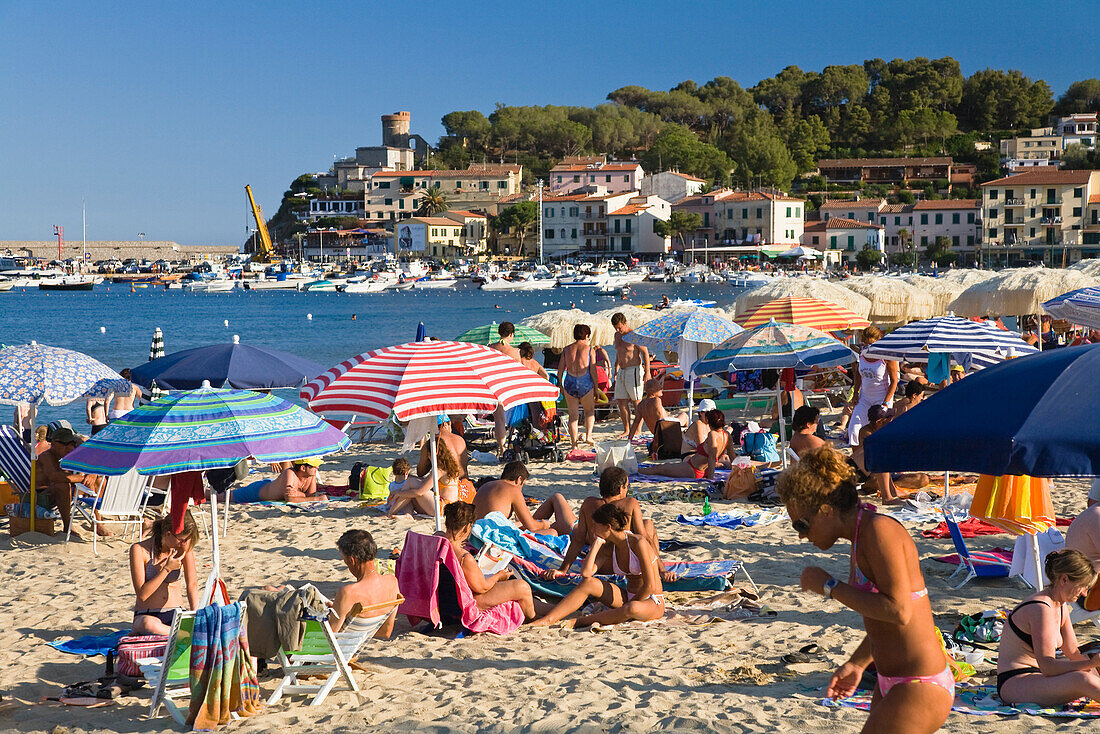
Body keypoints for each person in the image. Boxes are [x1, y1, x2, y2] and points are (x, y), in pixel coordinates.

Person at [778, 447, 953, 733]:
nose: (800, 534)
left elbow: (898, 611)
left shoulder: (878, 531)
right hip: (892, 682)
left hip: (919, 683)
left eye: (801, 524)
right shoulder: (860, 535)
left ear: (825, 511)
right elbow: (882, 618)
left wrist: (830, 586)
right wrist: (857, 664)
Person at [530, 503, 664, 629]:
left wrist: (629, 604)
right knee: (588, 583)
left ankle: (579, 621)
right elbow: (586, 574)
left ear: (608, 527)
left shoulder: (638, 543)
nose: (592, 530)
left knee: (632, 609)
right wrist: (596, 544)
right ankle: (550, 618)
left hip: (651, 600)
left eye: (595, 526)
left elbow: (650, 586)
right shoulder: (608, 546)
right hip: (628, 596)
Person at [996, 549, 1100, 706]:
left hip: (1037, 677)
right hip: (1015, 682)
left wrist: (1093, 668)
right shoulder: (1040, 608)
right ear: (1064, 579)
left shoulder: (1060, 604)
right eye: (1082, 586)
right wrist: (1091, 664)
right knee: (1082, 678)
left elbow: (1074, 652)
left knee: (1086, 672)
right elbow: (1048, 667)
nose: (1085, 594)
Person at [552, 467, 675, 581]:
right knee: (648, 525)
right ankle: (654, 569)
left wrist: (563, 569)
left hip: (600, 564)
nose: (627, 490)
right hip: (623, 565)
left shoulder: (588, 504)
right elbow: (644, 538)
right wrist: (662, 569)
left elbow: (578, 540)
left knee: (645, 523)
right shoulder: (630, 503)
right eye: (627, 487)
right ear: (620, 488)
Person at [439, 502, 542, 621]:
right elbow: (481, 588)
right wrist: (499, 576)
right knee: (522, 587)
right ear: (467, 527)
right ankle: (532, 618)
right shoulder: (464, 557)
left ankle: (546, 611)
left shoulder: (436, 541)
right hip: (462, 603)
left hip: (442, 599)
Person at [129, 513, 200, 635]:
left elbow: (192, 584)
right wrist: (166, 569)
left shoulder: (183, 547)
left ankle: (183, 633)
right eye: (182, 540)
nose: (184, 543)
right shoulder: (139, 550)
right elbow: (142, 594)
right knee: (147, 624)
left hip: (176, 613)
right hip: (148, 613)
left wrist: (196, 614)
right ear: (168, 534)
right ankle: (184, 634)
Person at [329, 529, 400, 638]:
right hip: (357, 642)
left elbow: (326, 639)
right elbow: (385, 633)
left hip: (339, 648)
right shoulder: (392, 582)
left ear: (352, 560)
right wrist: (340, 607)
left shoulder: (347, 593)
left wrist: (328, 614)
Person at [472, 460, 575, 535]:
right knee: (552, 532)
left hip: (477, 533)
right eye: (523, 484)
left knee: (554, 500)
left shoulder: (486, 486)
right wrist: (544, 524)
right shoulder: (513, 489)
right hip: (492, 538)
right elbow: (532, 527)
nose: (521, 489)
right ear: (519, 479)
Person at [35, 427, 106, 535]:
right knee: (62, 485)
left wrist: (93, 474)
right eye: (65, 443)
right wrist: (83, 479)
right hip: (42, 495)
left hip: (67, 490)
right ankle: (68, 526)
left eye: (72, 443)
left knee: (99, 481)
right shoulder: (46, 456)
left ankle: (97, 524)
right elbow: (54, 477)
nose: (70, 446)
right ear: (54, 443)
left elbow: (94, 462)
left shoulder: (68, 455)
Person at [639, 408, 728, 480]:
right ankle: (637, 470)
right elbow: (731, 456)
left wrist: (710, 479)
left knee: (659, 468)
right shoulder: (726, 435)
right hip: (700, 468)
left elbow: (711, 458)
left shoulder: (712, 434)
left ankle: (635, 471)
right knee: (662, 468)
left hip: (694, 469)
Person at [848, 326, 899, 447]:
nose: (868, 347)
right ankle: (858, 462)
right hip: (864, 398)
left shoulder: (887, 356)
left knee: (878, 433)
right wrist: (855, 393)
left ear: (878, 340)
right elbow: (858, 375)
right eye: (865, 344)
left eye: (871, 344)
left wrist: (886, 403)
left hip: (881, 399)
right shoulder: (862, 353)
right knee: (853, 430)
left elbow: (894, 381)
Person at [559, 324, 599, 448]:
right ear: (586, 335)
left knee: (573, 416)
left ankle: (574, 444)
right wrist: (596, 388)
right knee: (589, 411)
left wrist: (560, 384)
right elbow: (593, 370)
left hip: (570, 381)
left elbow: (560, 369)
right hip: (585, 381)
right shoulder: (590, 350)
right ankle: (588, 436)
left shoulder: (566, 349)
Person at [611, 312, 650, 438]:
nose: (618, 330)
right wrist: (616, 368)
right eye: (616, 328)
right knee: (621, 401)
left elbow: (645, 353)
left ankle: (638, 429)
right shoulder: (617, 336)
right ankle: (627, 429)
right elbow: (619, 353)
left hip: (634, 370)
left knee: (636, 402)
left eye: (619, 327)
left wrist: (647, 372)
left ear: (625, 323)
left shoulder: (635, 335)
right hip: (622, 371)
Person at [490, 322, 522, 454]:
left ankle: (501, 448)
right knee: (512, 419)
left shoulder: (490, 347)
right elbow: (520, 372)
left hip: (493, 387)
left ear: (499, 333)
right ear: (511, 334)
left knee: (499, 419)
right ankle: (508, 444)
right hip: (508, 388)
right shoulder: (515, 352)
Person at [417, 415, 469, 482]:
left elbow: (420, 472)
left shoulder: (432, 443)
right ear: (445, 424)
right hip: (465, 486)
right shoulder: (460, 439)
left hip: (449, 488)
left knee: (412, 481)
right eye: (450, 424)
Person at [258, 457, 327, 502]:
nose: (317, 467)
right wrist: (316, 499)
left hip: (272, 484)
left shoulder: (311, 475)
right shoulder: (290, 473)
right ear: (303, 468)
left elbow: (311, 494)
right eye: (313, 466)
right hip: (257, 491)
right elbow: (289, 498)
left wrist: (298, 494)